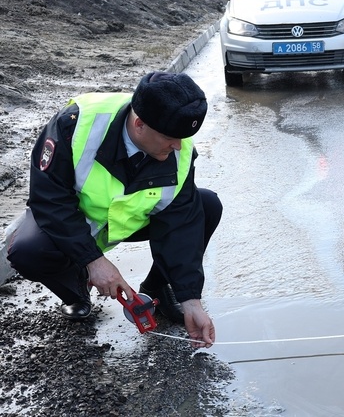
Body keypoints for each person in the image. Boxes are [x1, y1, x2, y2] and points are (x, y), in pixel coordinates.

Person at [6, 72, 221, 347]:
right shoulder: (76, 124)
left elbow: (181, 226)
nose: (178, 146)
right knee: (27, 251)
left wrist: (190, 299)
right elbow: (49, 199)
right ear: (139, 124)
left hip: (128, 222)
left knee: (207, 205)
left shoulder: (178, 145)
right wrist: (93, 261)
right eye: (170, 138)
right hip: (76, 223)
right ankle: (77, 290)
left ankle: (158, 289)